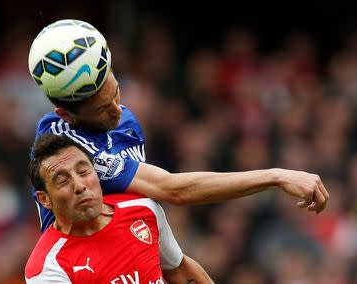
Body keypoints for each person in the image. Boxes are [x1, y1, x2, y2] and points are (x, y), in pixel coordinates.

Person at [29, 19, 329, 233]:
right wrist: (275, 175)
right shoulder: (64, 150)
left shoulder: (126, 120)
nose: (117, 111)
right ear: (66, 115)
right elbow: (173, 190)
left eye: (116, 92)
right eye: (102, 110)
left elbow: (142, 212)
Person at [25, 133, 214, 283]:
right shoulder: (47, 267)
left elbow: (179, 271)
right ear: (44, 199)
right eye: (63, 181)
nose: (79, 185)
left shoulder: (143, 209)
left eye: (83, 172)